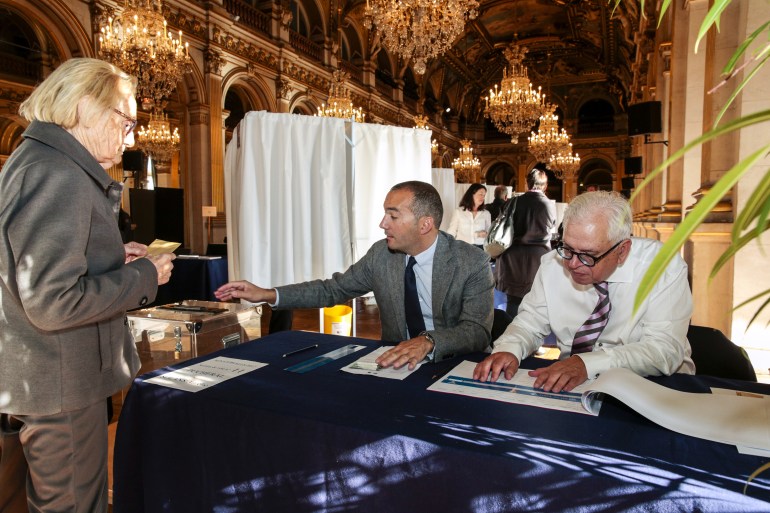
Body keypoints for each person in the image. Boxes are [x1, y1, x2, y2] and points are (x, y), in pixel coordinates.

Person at [0, 58, 176, 513]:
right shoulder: (57, 174)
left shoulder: (39, 161)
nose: (132, 136)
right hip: (61, 380)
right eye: (126, 120)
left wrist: (115, 257)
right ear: (83, 107)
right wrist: (145, 275)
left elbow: (29, 268)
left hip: (43, 375)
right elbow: (52, 302)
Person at [216, 181, 494, 370]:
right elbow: (332, 290)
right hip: (396, 366)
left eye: (393, 216)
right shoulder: (381, 255)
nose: (382, 224)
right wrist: (267, 294)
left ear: (425, 224)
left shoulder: (471, 262)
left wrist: (428, 341)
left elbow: (476, 331)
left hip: (455, 365)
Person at [474, 190, 694, 393]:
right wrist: (510, 348)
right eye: (568, 248)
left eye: (588, 255)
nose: (572, 264)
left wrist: (588, 364)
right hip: (573, 383)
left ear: (622, 250)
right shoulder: (553, 265)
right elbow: (529, 323)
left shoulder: (662, 268)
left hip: (656, 386)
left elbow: (664, 350)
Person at [495, 168, 556, 318]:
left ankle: (511, 338)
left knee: (513, 302)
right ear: (545, 185)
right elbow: (552, 229)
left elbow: (502, 226)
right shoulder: (549, 204)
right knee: (536, 303)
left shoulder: (514, 202)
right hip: (538, 258)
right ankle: (532, 339)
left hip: (512, 256)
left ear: (526, 183)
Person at [446, 183, 491, 249]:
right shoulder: (458, 212)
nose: (482, 197)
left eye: (484, 195)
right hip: (462, 248)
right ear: (471, 194)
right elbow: (451, 232)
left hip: (480, 249)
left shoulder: (486, 214)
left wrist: (486, 234)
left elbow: (489, 234)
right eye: (480, 194)